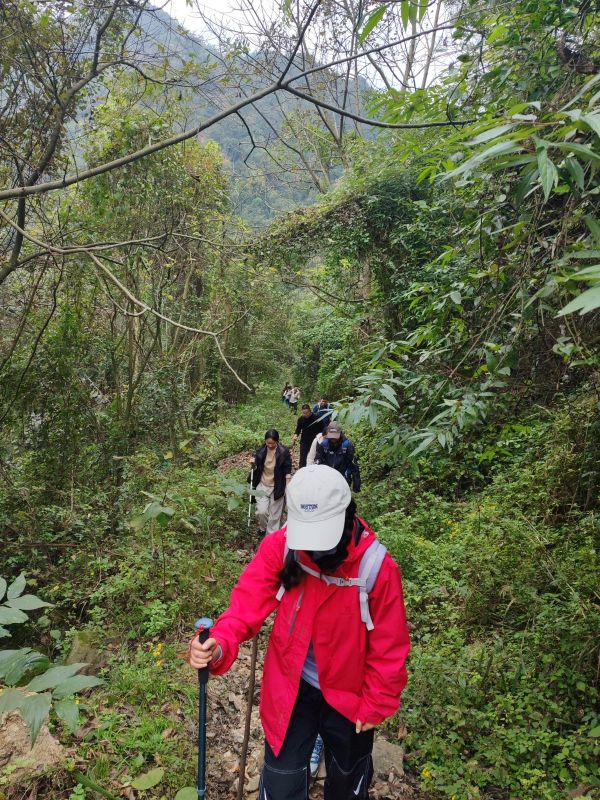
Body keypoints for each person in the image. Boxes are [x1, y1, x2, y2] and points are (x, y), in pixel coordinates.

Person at [189, 465, 410, 800]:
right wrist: (219, 644)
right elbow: (245, 606)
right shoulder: (283, 546)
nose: (315, 552)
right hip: (291, 689)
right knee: (281, 784)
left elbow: (389, 647)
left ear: (346, 516)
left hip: (351, 695)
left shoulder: (375, 566)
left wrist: (376, 702)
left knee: (347, 784)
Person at [250, 429, 292, 535]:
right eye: (268, 443)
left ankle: (270, 537)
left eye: (272, 443)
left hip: (277, 486)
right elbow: (255, 469)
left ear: (277, 441)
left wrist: (287, 487)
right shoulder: (260, 451)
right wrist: (253, 464)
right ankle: (263, 528)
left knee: (274, 516)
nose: (270, 445)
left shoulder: (284, 452)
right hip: (262, 485)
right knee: (261, 511)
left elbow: (287, 470)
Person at [315, 421, 361, 492]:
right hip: (327, 478)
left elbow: (354, 466)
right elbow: (318, 460)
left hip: (343, 478)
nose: (333, 439)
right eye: (331, 436)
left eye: (335, 436)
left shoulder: (347, 446)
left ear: (340, 433)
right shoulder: (323, 445)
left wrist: (356, 485)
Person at [293, 404, 322, 469]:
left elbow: (322, 429)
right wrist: (295, 435)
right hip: (304, 441)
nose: (305, 414)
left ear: (310, 411)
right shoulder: (301, 419)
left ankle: (312, 470)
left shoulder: (317, 418)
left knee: (314, 457)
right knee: (303, 457)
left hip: (315, 441)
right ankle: (301, 471)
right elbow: (298, 430)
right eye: (304, 413)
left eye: (307, 413)